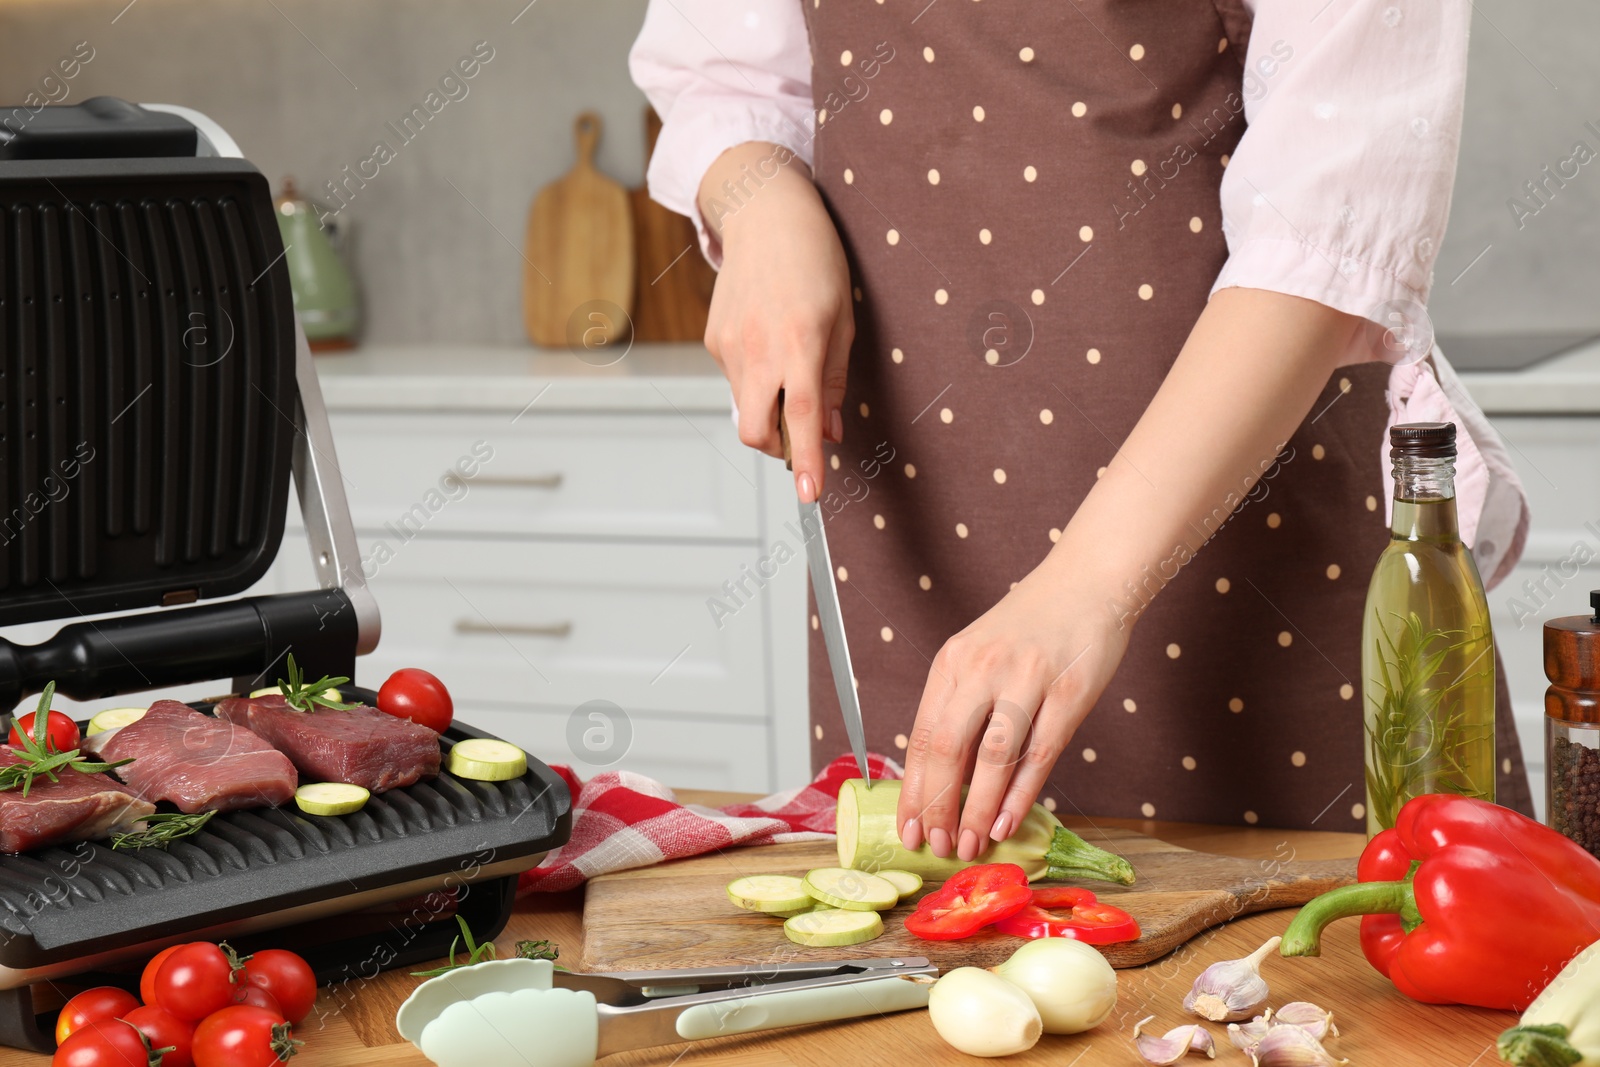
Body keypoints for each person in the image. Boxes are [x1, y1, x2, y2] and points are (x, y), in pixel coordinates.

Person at [630, 0, 1532, 857]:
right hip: (905, 538)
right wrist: (761, 207)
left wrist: (1090, 586)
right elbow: (724, 65)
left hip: (1253, 553)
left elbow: (1332, 221)